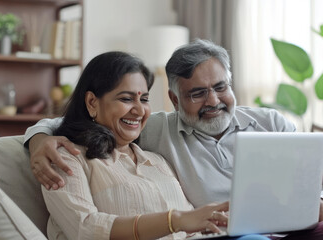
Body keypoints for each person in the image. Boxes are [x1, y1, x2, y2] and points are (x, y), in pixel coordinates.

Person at [25, 40, 323, 238]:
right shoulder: (154, 132)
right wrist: (38, 137)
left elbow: (307, 184)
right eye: (197, 93)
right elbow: (85, 226)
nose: (214, 101)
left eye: (221, 87)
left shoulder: (155, 159)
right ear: (175, 100)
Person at [38, 51, 229, 240]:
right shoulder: (66, 158)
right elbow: (85, 228)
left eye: (144, 99)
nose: (139, 110)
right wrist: (175, 220)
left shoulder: (157, 161)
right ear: (92, 102)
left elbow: (189, 229)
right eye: (126, 99)